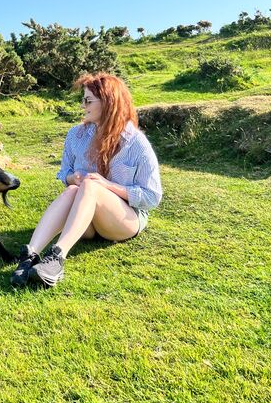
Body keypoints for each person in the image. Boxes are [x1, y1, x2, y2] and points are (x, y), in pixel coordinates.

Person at [11, 72, 162, 288]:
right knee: (73, 190)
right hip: (87, 224)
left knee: (91, 185)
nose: (83, 106)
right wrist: (72, 177)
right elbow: (64, 173)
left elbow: (152, 197)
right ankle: (30, 255)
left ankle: (57, 257)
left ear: (108, 102)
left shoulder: (136, 143)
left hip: (124, 221)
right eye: (83, 100)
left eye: (88, 100)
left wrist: (107, 185)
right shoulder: (76, 135)